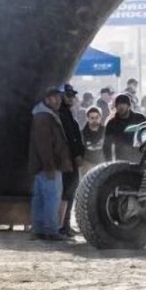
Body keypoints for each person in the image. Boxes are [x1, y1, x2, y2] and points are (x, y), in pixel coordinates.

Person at [29, 87, 74, 240]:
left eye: (59, 97)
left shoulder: (43, 115)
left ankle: (39, 229)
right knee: (51, 198)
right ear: (47, 99)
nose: (59, 100)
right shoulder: (44, 117)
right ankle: (51, 230)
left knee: (41, 198)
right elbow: (44, 145)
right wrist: (49, 166)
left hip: (42, 166)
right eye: (55, 97)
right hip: (49, 166)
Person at [57, 84, 86, 237]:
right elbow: (70, 138)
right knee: (66, 193)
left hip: (70, 159)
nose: (71, 98)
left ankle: (65, 224)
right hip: (68, 160)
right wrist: (77, 155)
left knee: (69, 193)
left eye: (72, 95)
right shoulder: (63, 114)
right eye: (68, 95)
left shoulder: (67, 113)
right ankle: (62, 226)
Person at [105, 94, 146, 162]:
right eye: (118, 104)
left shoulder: (140, 119)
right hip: (121, 161)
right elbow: (107, 146)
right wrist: (109, 162)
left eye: (123, 104)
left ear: (128, 106)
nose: (121, 107)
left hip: (139, 159)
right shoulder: (112, 124)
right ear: (116, 106)